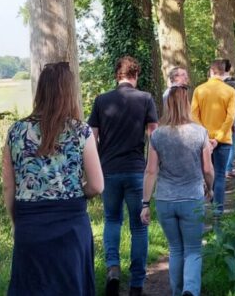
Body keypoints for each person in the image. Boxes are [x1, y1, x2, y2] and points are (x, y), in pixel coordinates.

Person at [2, 62, 104, 296]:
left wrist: (15, 222)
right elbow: (97, 185)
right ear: (69, 93)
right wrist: (79, 192)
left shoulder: (16, 131)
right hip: (71, 225)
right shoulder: (82, 131)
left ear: (41, 92)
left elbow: (9, 185)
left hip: (30, 224)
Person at [88, 56, 159, 296]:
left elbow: (92, 138)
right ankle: (137, 285)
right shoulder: (145, 99)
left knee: (112, 220)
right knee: (139, 227)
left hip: (108, 171)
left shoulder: (101, 100)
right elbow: (154, 136)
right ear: (135, 75)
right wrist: (152, 167)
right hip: (137, 170)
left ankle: (113, 269)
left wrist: (95, 167)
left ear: (117, 76)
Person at [140, 81, 215, 296]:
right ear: (187, 104)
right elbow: (208, 169)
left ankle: (178, 291)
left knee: (175, 249)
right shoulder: (200, 132)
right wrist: (209, 188)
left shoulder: (157, 135)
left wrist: (145, 203)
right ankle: (190, 290)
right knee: (192, 250)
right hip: (192, 198)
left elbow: (151, 171)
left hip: (165, 200)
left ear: (167, 105)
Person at [190, 59, 235, 218]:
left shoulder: (199, 90)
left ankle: (205, 208)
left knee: (206, 174)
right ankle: (218, 214)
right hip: (223, 141)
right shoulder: (230, 91)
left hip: (203, 141)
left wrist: (205, 135)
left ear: (211, 71)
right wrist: (218, 138)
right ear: (224, 72)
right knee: (220, 175)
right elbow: (230, 118)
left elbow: (194, 115)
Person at [220, 59, 235, 178]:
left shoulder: (216, 85)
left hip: (217, 117)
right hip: (233, 116)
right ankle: (228, 169)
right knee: (231, 143)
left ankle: (219, 169)